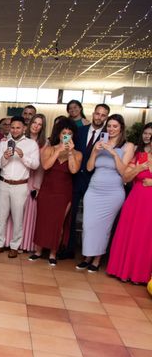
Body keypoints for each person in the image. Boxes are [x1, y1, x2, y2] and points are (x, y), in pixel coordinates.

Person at [76, 114, 134, 272]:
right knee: (88, 225)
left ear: (121, 128)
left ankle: (96, 259)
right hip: (94, 189)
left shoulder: (128, 146)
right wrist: (95, 152)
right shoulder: (100, 142)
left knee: (104, 227)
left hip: (113, 192)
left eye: (115, 126)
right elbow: (89, 168)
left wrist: (114, 153)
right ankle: (87, 255)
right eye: (109, 126)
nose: (112, 129)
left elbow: (124, 173)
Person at [60, 103, 110, 259]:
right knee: (70, 215)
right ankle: (68, 249)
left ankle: (89, 252)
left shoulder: (107, 137)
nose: (99, 117)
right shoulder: (79, 131)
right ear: (93, 114)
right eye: (97, 114)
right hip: (74, 178)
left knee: (91, 218)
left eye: (103, 115)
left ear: (106, 118)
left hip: (94, 181)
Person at [30, 118, 82, 265]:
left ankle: (53, 253)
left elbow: (74, 170)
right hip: (47, 190)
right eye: (63, 133)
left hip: (64, 192)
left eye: (69, 133)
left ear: (73, 136)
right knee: (43, 221)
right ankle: (38, 250)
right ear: (59, 134)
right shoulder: (49, 149)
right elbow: (46, 166)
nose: (66, 135)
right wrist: (59, 149)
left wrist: (70, 152)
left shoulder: (78, 154)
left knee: (58, 223)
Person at [106, 123, 152, 284]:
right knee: (131, 233)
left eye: (151, 134)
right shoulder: (137, 154)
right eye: (146, 133)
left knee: (146, 237)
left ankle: (141, 275)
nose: (148, 137)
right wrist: (139, 169)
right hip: (136, 198)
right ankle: (123, 271)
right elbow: (125, 177)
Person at [0, 116, 40, 258]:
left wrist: (23, 156)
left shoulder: (31, 144)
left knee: (18, 218)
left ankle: (14, 246)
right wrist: (5, 157)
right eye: (12, 127)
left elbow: (36, 165)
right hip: (4, 183)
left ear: (24, 128)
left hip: (20, 185)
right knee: (1, 216)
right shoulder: (4, 142)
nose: (15, 130)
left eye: (18, 127)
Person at [5, 114, 47, 253]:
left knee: (28, 214)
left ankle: (24, 244)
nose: (36, 126)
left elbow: (40, 168)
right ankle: (8, 242)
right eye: (34, 122)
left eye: (39, 124)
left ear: (42, 127)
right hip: (18, 178)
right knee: (13, 214)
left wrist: (37, 186)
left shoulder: (44, 143)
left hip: (33, 181)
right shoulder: (17, 138)